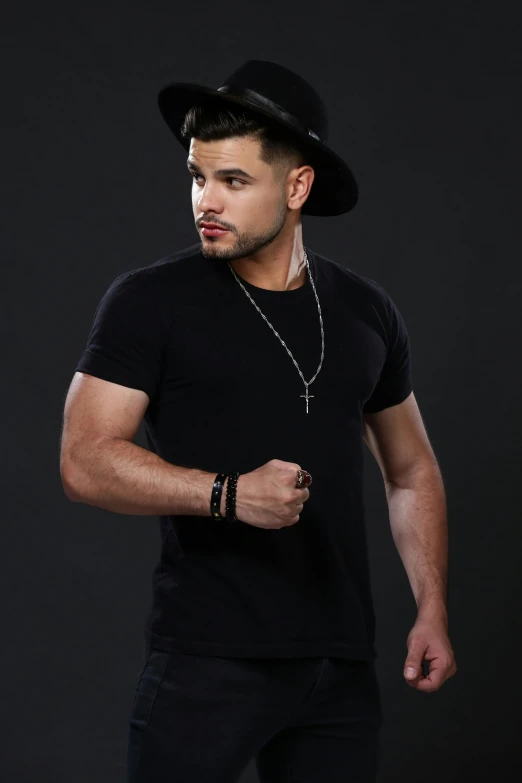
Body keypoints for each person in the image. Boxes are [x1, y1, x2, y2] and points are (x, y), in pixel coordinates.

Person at [60, 59, 456, 783]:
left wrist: (431, 605)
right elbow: (83, 459)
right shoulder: (149, 301)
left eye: (233, 181)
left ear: (297, 186)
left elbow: (411, 469)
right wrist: (228, 494)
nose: (205, 201)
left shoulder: (367, 311)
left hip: (339, 665)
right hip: (206, 664)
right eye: (196, 176)